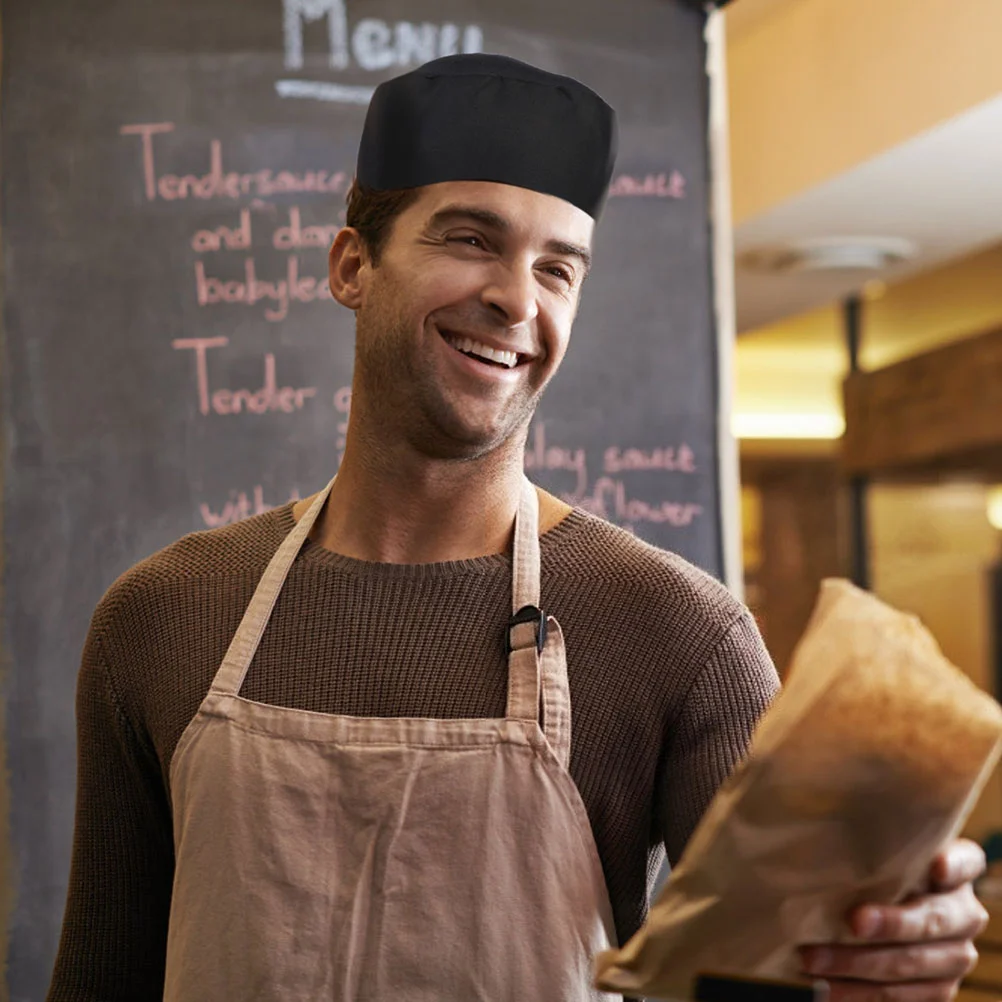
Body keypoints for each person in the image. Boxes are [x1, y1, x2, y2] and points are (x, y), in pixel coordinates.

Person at [49, 54, 986, 1001]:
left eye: (558, 269)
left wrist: (880, 966)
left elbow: (777, 981)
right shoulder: (163, 616)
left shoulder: (682, 635)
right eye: (469, 240)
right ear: (351, 266)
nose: (518, 298)